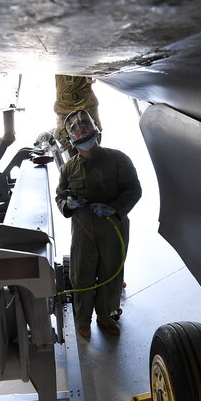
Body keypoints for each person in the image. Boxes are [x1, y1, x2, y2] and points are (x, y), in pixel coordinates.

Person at [55, 110, 141, 338]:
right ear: (71, 140)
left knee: (111, 271)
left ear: (95, 128)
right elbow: (60, 196)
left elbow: (134, 189)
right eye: (73, 128)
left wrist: (114, 207)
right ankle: (83, 319)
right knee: (81, 272)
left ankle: (105, 315)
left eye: (84, 124)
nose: (79, 128)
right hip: (83, 232)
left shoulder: (118, 159)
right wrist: (69, 204)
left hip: (113, 229)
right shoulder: (68, 169)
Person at [52, 75, 102, 153]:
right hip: (85, 101)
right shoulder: (95, 137)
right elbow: (96, 127)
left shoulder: (65, 138)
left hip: (65, 104)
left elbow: (60, 134)